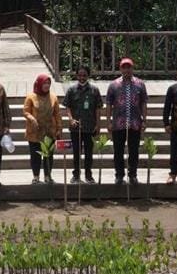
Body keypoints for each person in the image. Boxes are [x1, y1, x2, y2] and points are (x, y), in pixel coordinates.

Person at [105, 57, 148, 185]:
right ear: (120, 68)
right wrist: (108, 121)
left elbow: (144, 103)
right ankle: (119, 175)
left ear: (132, 68)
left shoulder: (140, 84)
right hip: (118, 124)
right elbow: (108, 104)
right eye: (124, 67)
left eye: (129, 67)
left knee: (134, 150)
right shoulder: (113, 85)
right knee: (118, 151)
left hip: (135, 123)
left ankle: (133, 175)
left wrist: (144, 120)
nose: (127, 69)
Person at [63, 65, 103, 184]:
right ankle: (76, 175)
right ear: (76, 76)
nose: (82, 77)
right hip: (75, 127)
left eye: (84, 75)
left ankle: (88, 175)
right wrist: (71, 119)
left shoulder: (94, 90)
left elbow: (98, 108)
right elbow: (68, 107)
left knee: (89, 153)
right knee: (76, 152)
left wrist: (98, 124)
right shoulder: (71, 90)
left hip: (90, 126)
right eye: (80, 75)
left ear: (88, 76)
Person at [24, 74, 62, 184]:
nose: (46, 85)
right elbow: (26, 111)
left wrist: (59, 128)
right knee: (35, 155)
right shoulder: (31, 96)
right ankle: (36, 176)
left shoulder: (53, 97)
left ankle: (47, 176)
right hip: (35, 131)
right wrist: (32, 118)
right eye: (44, 83)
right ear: (39, 84)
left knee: (48, 155)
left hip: (49, 130)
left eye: (48, 83)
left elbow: (57, 114)